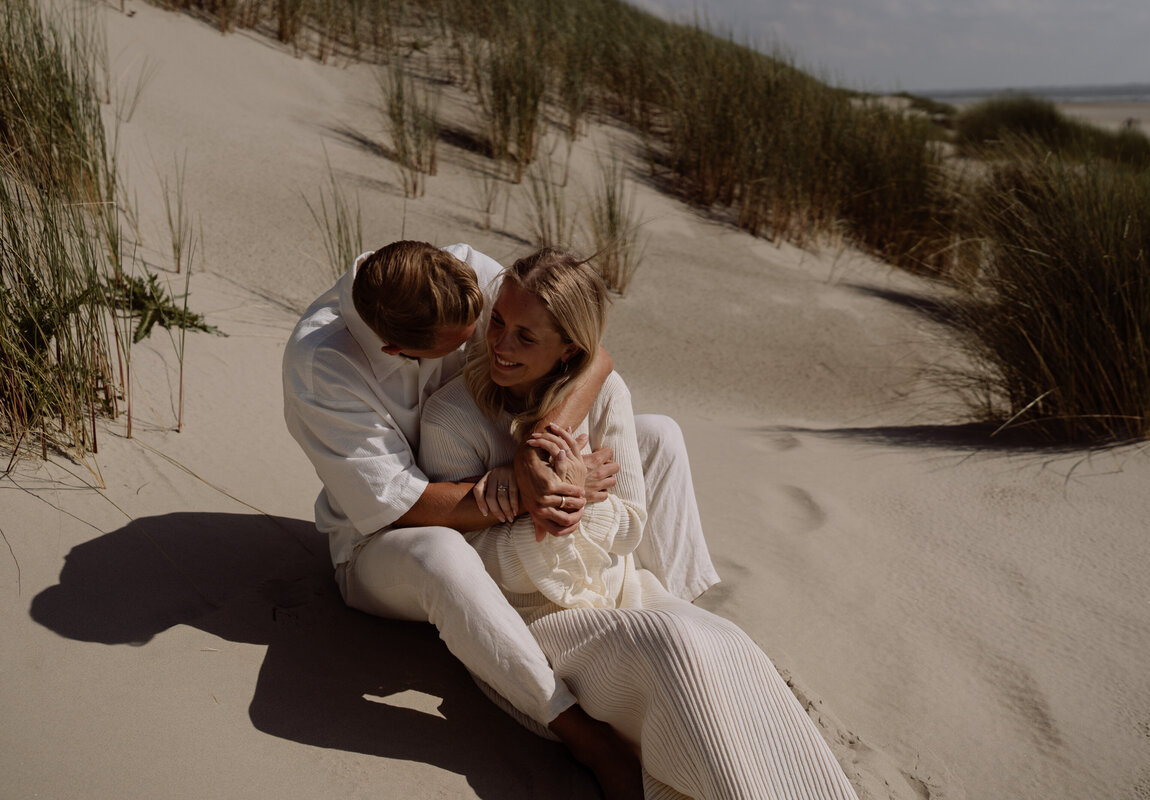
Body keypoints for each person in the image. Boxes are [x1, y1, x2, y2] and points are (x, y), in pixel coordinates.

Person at [418, 248, 860, 800]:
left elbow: (628, 527)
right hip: (534, 625)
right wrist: (552, 509)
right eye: (499, 323)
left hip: (626, 591)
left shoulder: (605, 393)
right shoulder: (450, 419)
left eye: (526, 337)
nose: (500, 346)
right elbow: (470, 567)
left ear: (569, 351)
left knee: (727, 645)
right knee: (677, 648)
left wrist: (575, 500)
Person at [282, 241, 720, 793]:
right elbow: (405, 508)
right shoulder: (323, 368)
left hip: (490, 468)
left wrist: (538, 448)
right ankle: (578, 732)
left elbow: (593, 356)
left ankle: (681, 615)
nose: (489, 348)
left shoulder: (458, 272)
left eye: (484, 324)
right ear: (397, 350)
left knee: (658, 435)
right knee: (439, 555)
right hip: (386, 545)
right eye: (467, 344)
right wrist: (529, 489)